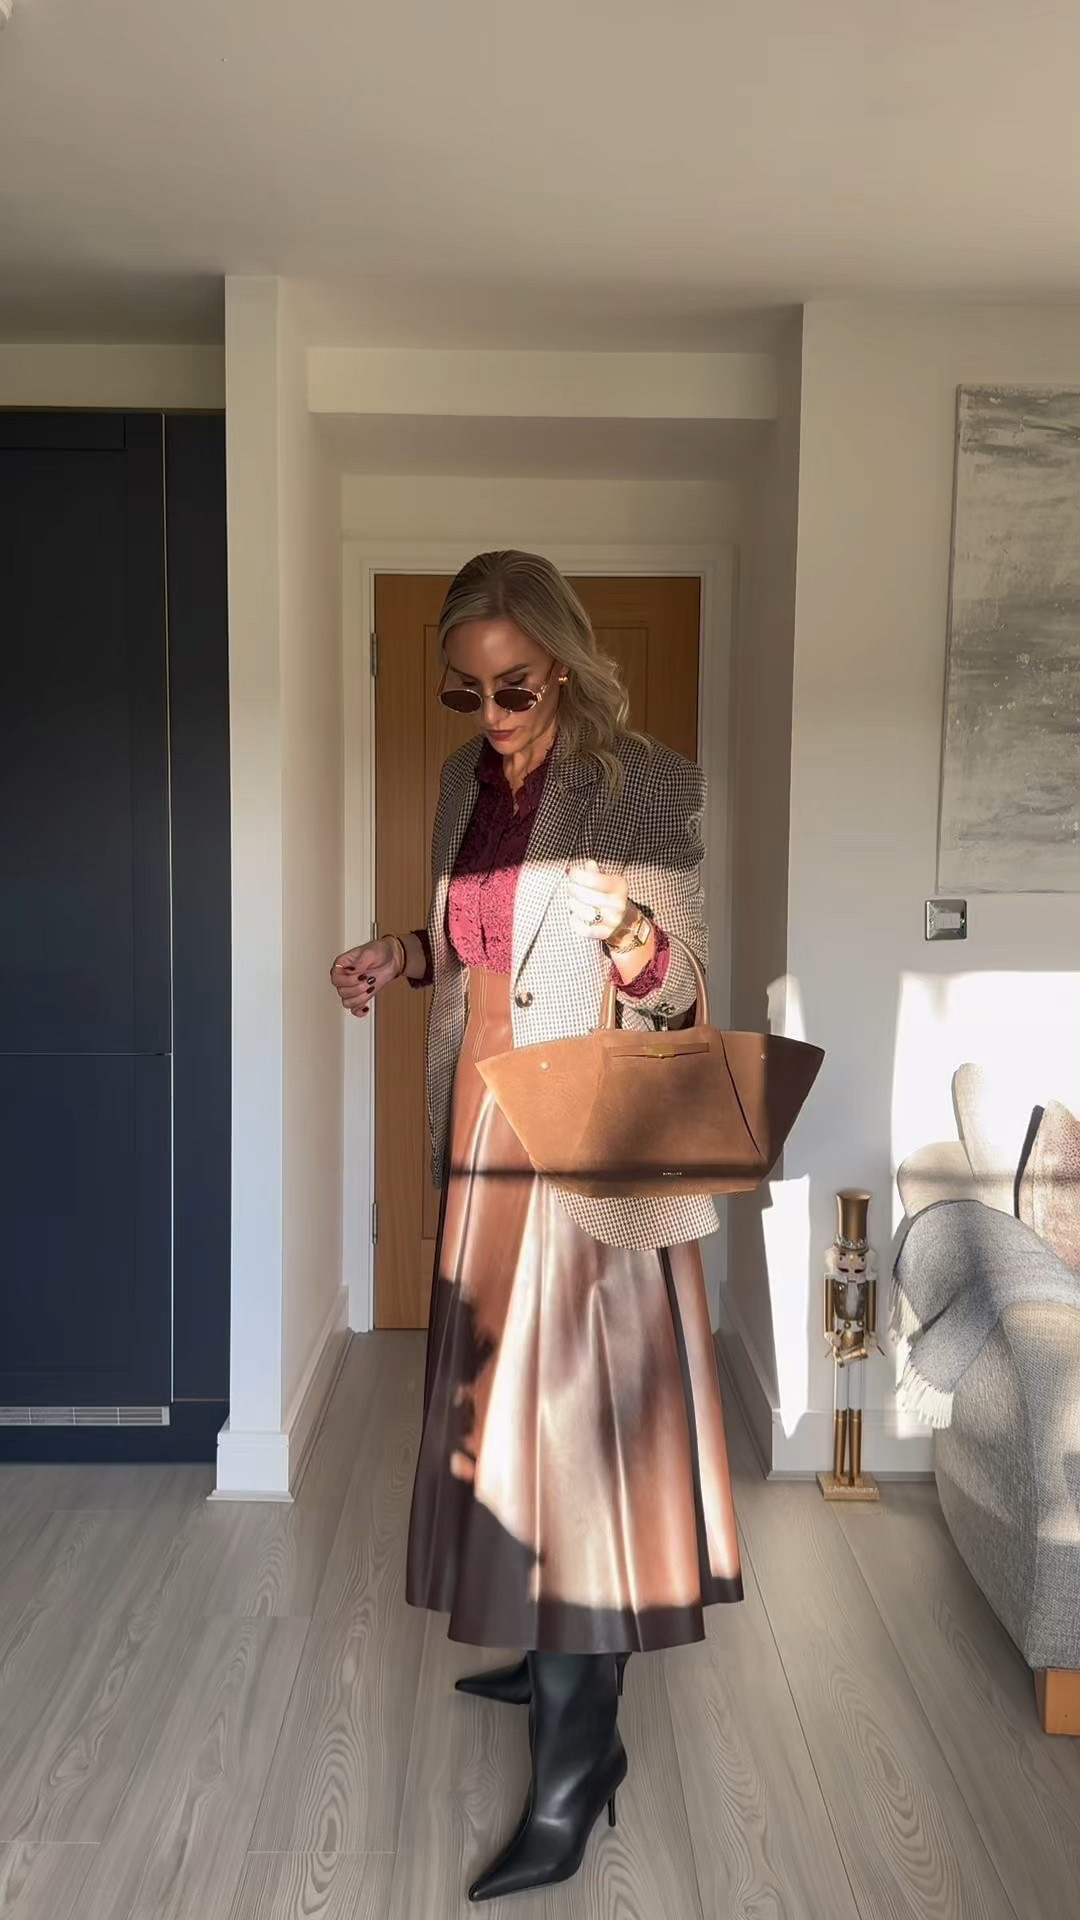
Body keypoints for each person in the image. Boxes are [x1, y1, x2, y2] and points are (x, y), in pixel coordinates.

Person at [331, 550, 742, 1903]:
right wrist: (401, 954)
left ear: (560, 663)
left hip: (587, 1141)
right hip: (480, 1125)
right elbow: (471, 940)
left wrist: (632, 930)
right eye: (468, 692)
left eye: (514, 688)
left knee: (578, 1448)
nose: (492, 717)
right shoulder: (465, 786)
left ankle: (579, 1769)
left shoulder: (650, 781)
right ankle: (541, 1643)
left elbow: (684, 987)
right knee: (500, 1408)